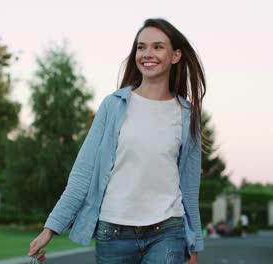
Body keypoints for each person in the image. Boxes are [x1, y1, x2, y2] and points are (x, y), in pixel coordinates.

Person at [28, 18, 206, 264]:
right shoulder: (113, 106)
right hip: (113, 233)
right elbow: (82, 174)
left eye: (157, 46)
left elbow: (189, 190)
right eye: (141, 47)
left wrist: (193, 247)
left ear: (175, 55)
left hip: (167, 231)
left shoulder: (187, 116)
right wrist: (50, 229)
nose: (147, 54)